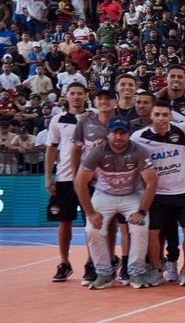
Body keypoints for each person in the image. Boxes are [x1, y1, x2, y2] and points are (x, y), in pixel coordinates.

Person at [73, 117, 157, 290]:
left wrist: (141, 211)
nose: (118, 137)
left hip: (132, 194)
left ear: (129, 134)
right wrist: (91, 214)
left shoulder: (139, 151)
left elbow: (152, 182)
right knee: (92, 229)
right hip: (104, 194)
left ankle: (136, 271)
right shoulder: (97, 152)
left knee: (140, 227)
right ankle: (104, 273)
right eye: (115, 133)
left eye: (123, 133)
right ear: (108, 134)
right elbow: (80, 183)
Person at [131, 99, 185, 286]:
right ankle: (156, 270)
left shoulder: (183, 129)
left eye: (165, 114)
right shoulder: (138, 136)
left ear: (171, 116)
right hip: (158, 194)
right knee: (154, 234)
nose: (161, 119)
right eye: (157, 114)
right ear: (151, 116)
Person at [46, 82, 93, 283]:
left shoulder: (94, 117)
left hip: (90, 177)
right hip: (65, 178)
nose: (76, 97)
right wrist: (49, 176)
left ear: (85, 96)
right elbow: (51, 149)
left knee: (91, 223)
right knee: (64, 222)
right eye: (72, 93)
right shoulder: (57, 119)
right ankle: (64, 263)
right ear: (66, 96)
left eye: (79, 93)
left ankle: (92, 262)